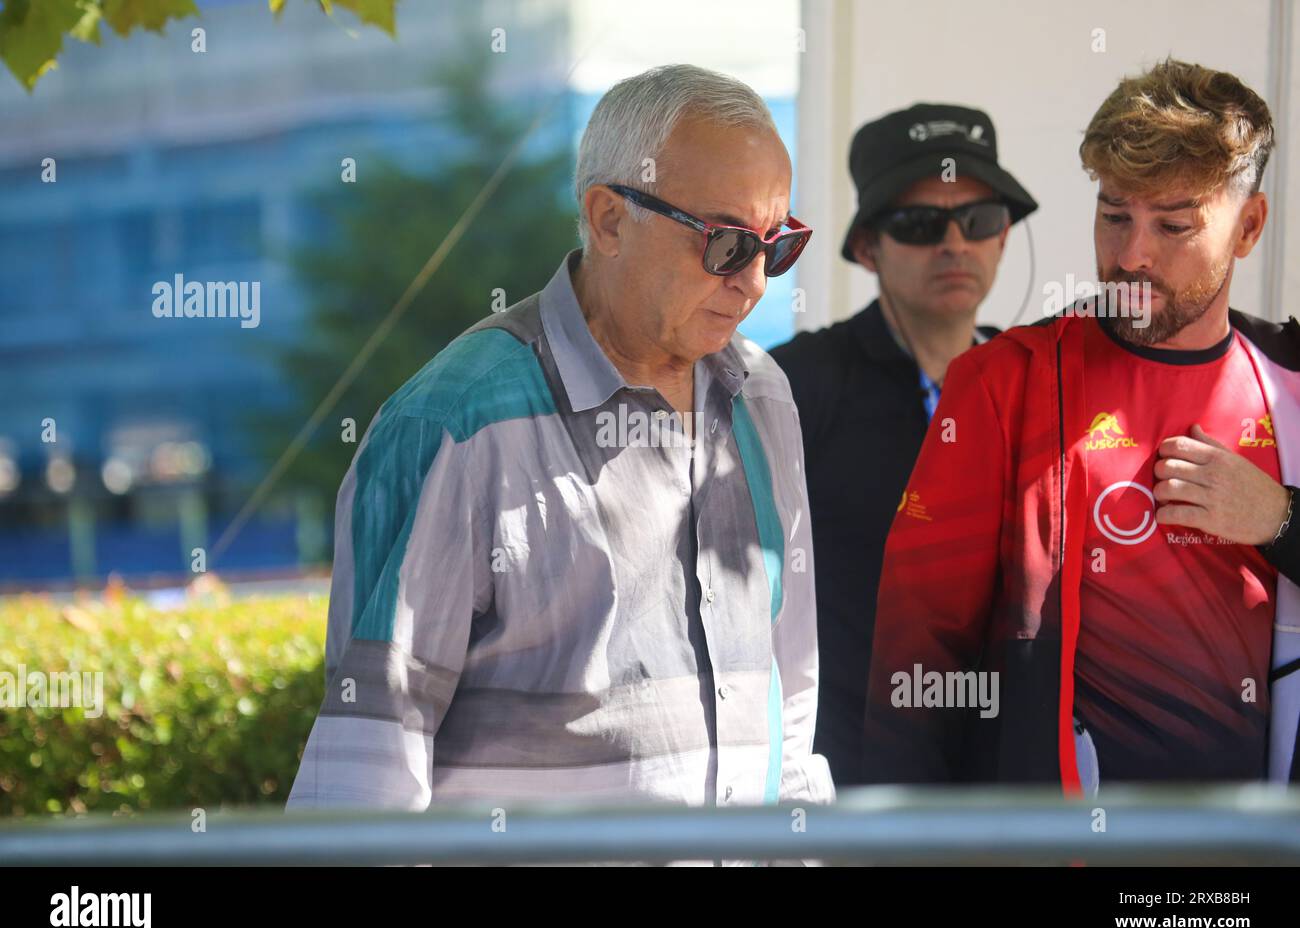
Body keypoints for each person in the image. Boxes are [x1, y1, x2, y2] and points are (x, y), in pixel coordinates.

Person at [287, 64, 833, 816]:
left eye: (780, 243)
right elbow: (367, 781)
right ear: (609, 219)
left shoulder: (762, 395)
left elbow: (789, 705)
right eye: (728, 243)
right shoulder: (458, 421)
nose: (757, 281)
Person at [865, 58, 1300, 792]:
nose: (1132, 254)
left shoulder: (1289, 378)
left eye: (1173, 224)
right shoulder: (1007, 381)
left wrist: (1282, 520)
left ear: (1249, 226)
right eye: (1114, 214)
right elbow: (917, 662)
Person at [769, 104, 1037, 786]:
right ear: (867, 249)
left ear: (1003, 237)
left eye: (978, 220)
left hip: (1008, 793)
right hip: (856, 797)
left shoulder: (1038, 381)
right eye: (919, 224)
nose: (955, 243)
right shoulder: (793, 386)